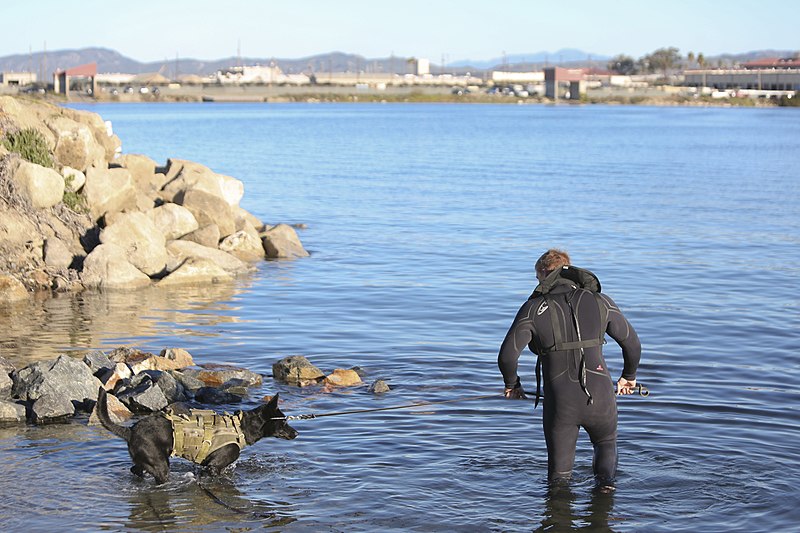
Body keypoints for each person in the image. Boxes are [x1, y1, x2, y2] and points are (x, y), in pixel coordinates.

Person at [497, 249, 641, 487]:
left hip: (561, 403)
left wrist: (512, 385)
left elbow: (507, 356)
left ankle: (557, 514)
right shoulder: (601, 301)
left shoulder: (533, 308)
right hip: (601, 397)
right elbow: (632, 344)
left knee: (559, 480)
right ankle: (605, 497)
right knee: (606, 447)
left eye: (537, 278)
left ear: (544, 273)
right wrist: (629, 377)